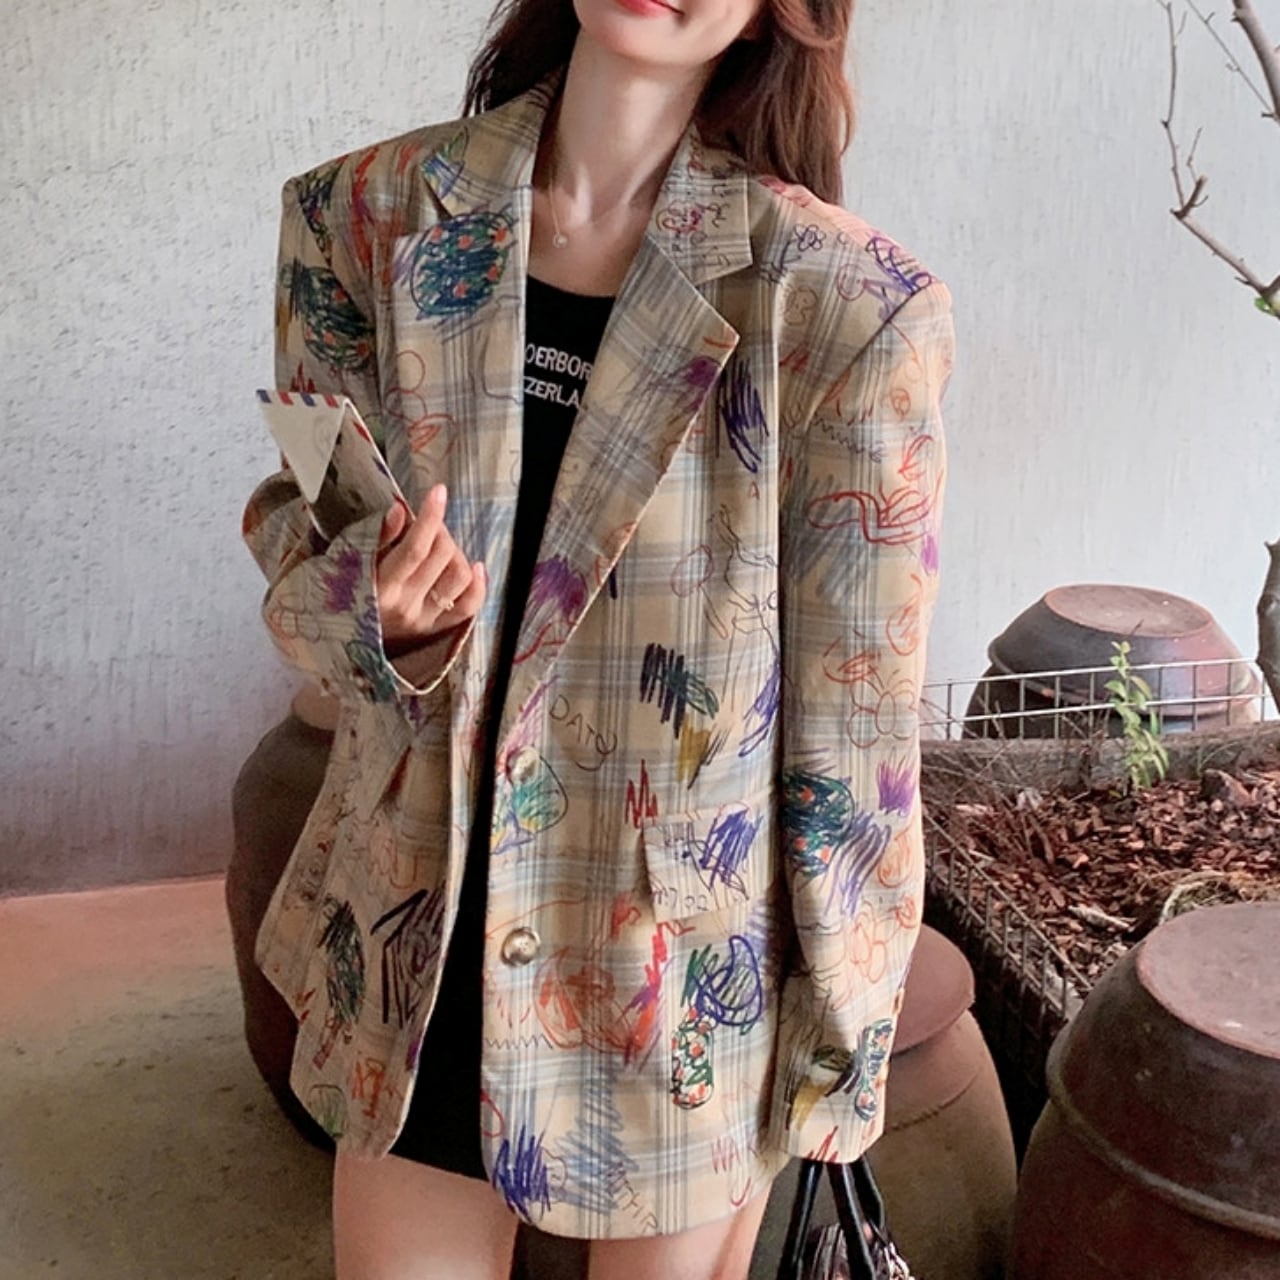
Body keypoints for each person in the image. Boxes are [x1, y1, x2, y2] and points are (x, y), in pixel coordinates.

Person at [242, 0, 955, 1274]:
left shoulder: (843, 306)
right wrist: (372, 608)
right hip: (416, 935)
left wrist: (836, 1048)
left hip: (674, 984)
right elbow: (304, 521)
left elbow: (857, 724)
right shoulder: (360, 219)